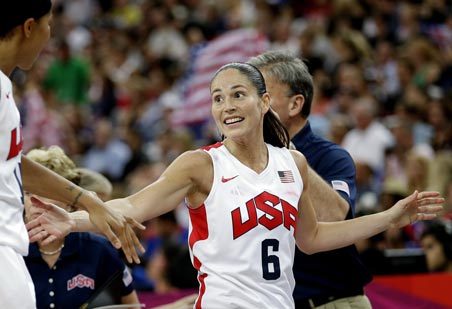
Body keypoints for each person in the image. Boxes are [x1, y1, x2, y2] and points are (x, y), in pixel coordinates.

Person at [27, 62, 444, 309]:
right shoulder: (200, 165)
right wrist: (74, 220)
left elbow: (315, 238)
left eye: (237, 94)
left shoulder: (293, 162)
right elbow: (134, 207)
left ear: (264, 102)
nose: (226, 106)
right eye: (217, 97)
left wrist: (390, 217)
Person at [0, 1, 142, 307]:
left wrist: (86, 199)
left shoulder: (5, 88)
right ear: (28, 27)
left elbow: (13, 163)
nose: (48, 36)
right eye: (48, 25)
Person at [247, 51, 373, 308]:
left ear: (295, 104)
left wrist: (288, 153)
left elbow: (336, 215)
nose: (250, 103)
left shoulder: (331, 157)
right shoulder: (244, 161)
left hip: (332, 302)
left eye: (263, 94)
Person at [23, 146, 140, 309]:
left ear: (69, 200)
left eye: (45, 192)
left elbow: (132, 306)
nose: (34, 199)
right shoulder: (11, 248)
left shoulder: (99, 249)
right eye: (28, 193)